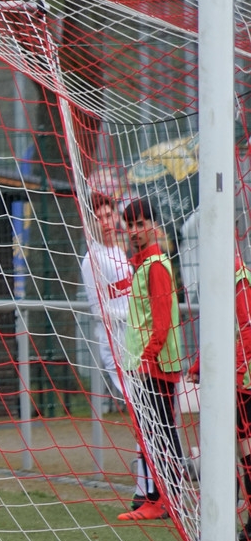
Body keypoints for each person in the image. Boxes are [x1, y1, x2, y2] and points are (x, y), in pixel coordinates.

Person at [116, 198, 184, 522]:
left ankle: (165, 499)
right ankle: (158, 497)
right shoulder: (144, 265)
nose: (134, 231)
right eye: (130, 225)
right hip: (147, 364)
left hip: (156, 366)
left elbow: (161, 321)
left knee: (162, 433)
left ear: (154, 226)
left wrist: (146, 359)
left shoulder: (156, 265)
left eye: (140, 224)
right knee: (153, 433)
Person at [186, 252, 251, 540]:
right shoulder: (219, 275)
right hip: (229, 379)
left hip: (242, 381)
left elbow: (246, 331)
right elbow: (217, 329)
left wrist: (236, 373)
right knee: (228, 451)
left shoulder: (239, 278)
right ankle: (222, 523)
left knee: (243, 451)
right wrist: (199, 366)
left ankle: (236, 523)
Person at [80, 193, 131, 403]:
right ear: (90, 224)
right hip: (116, 346)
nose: (105, 222)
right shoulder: (91, 260)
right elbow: (100, 312)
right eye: (98, 218)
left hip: (135, 340)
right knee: (137, 406)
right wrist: (135, 315)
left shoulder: (119, 252)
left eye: (109, 216)